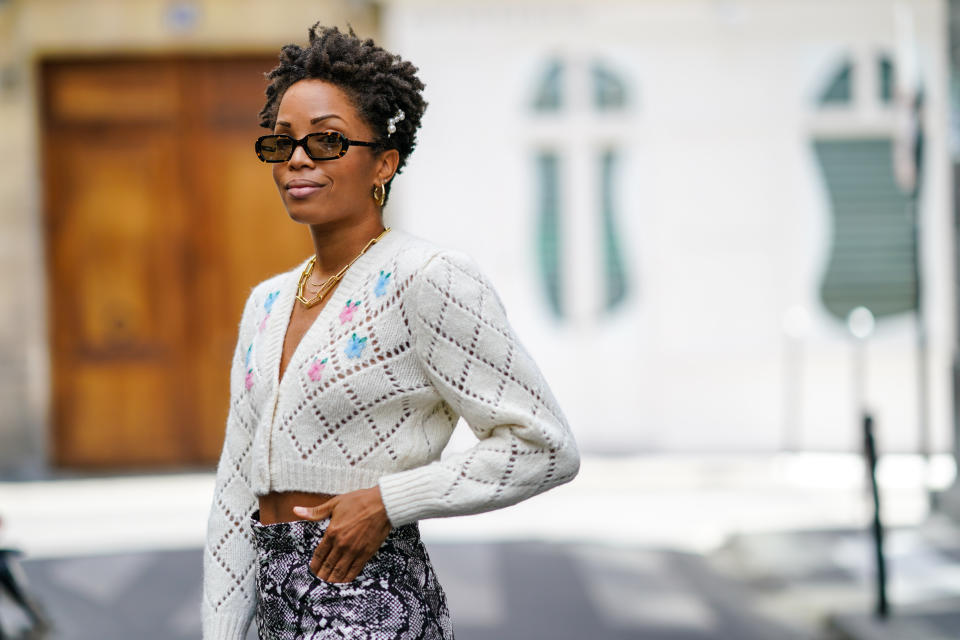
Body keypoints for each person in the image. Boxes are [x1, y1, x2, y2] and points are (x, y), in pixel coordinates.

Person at [201, 22, 580, 640]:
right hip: (274, 613)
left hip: (369, 604)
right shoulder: (265, 305)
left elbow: (543, 446)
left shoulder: (429, 279)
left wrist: (387, 502)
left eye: (326, 141)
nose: (298, 158)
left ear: (384, 161)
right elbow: (234, 488)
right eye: (283, 142)